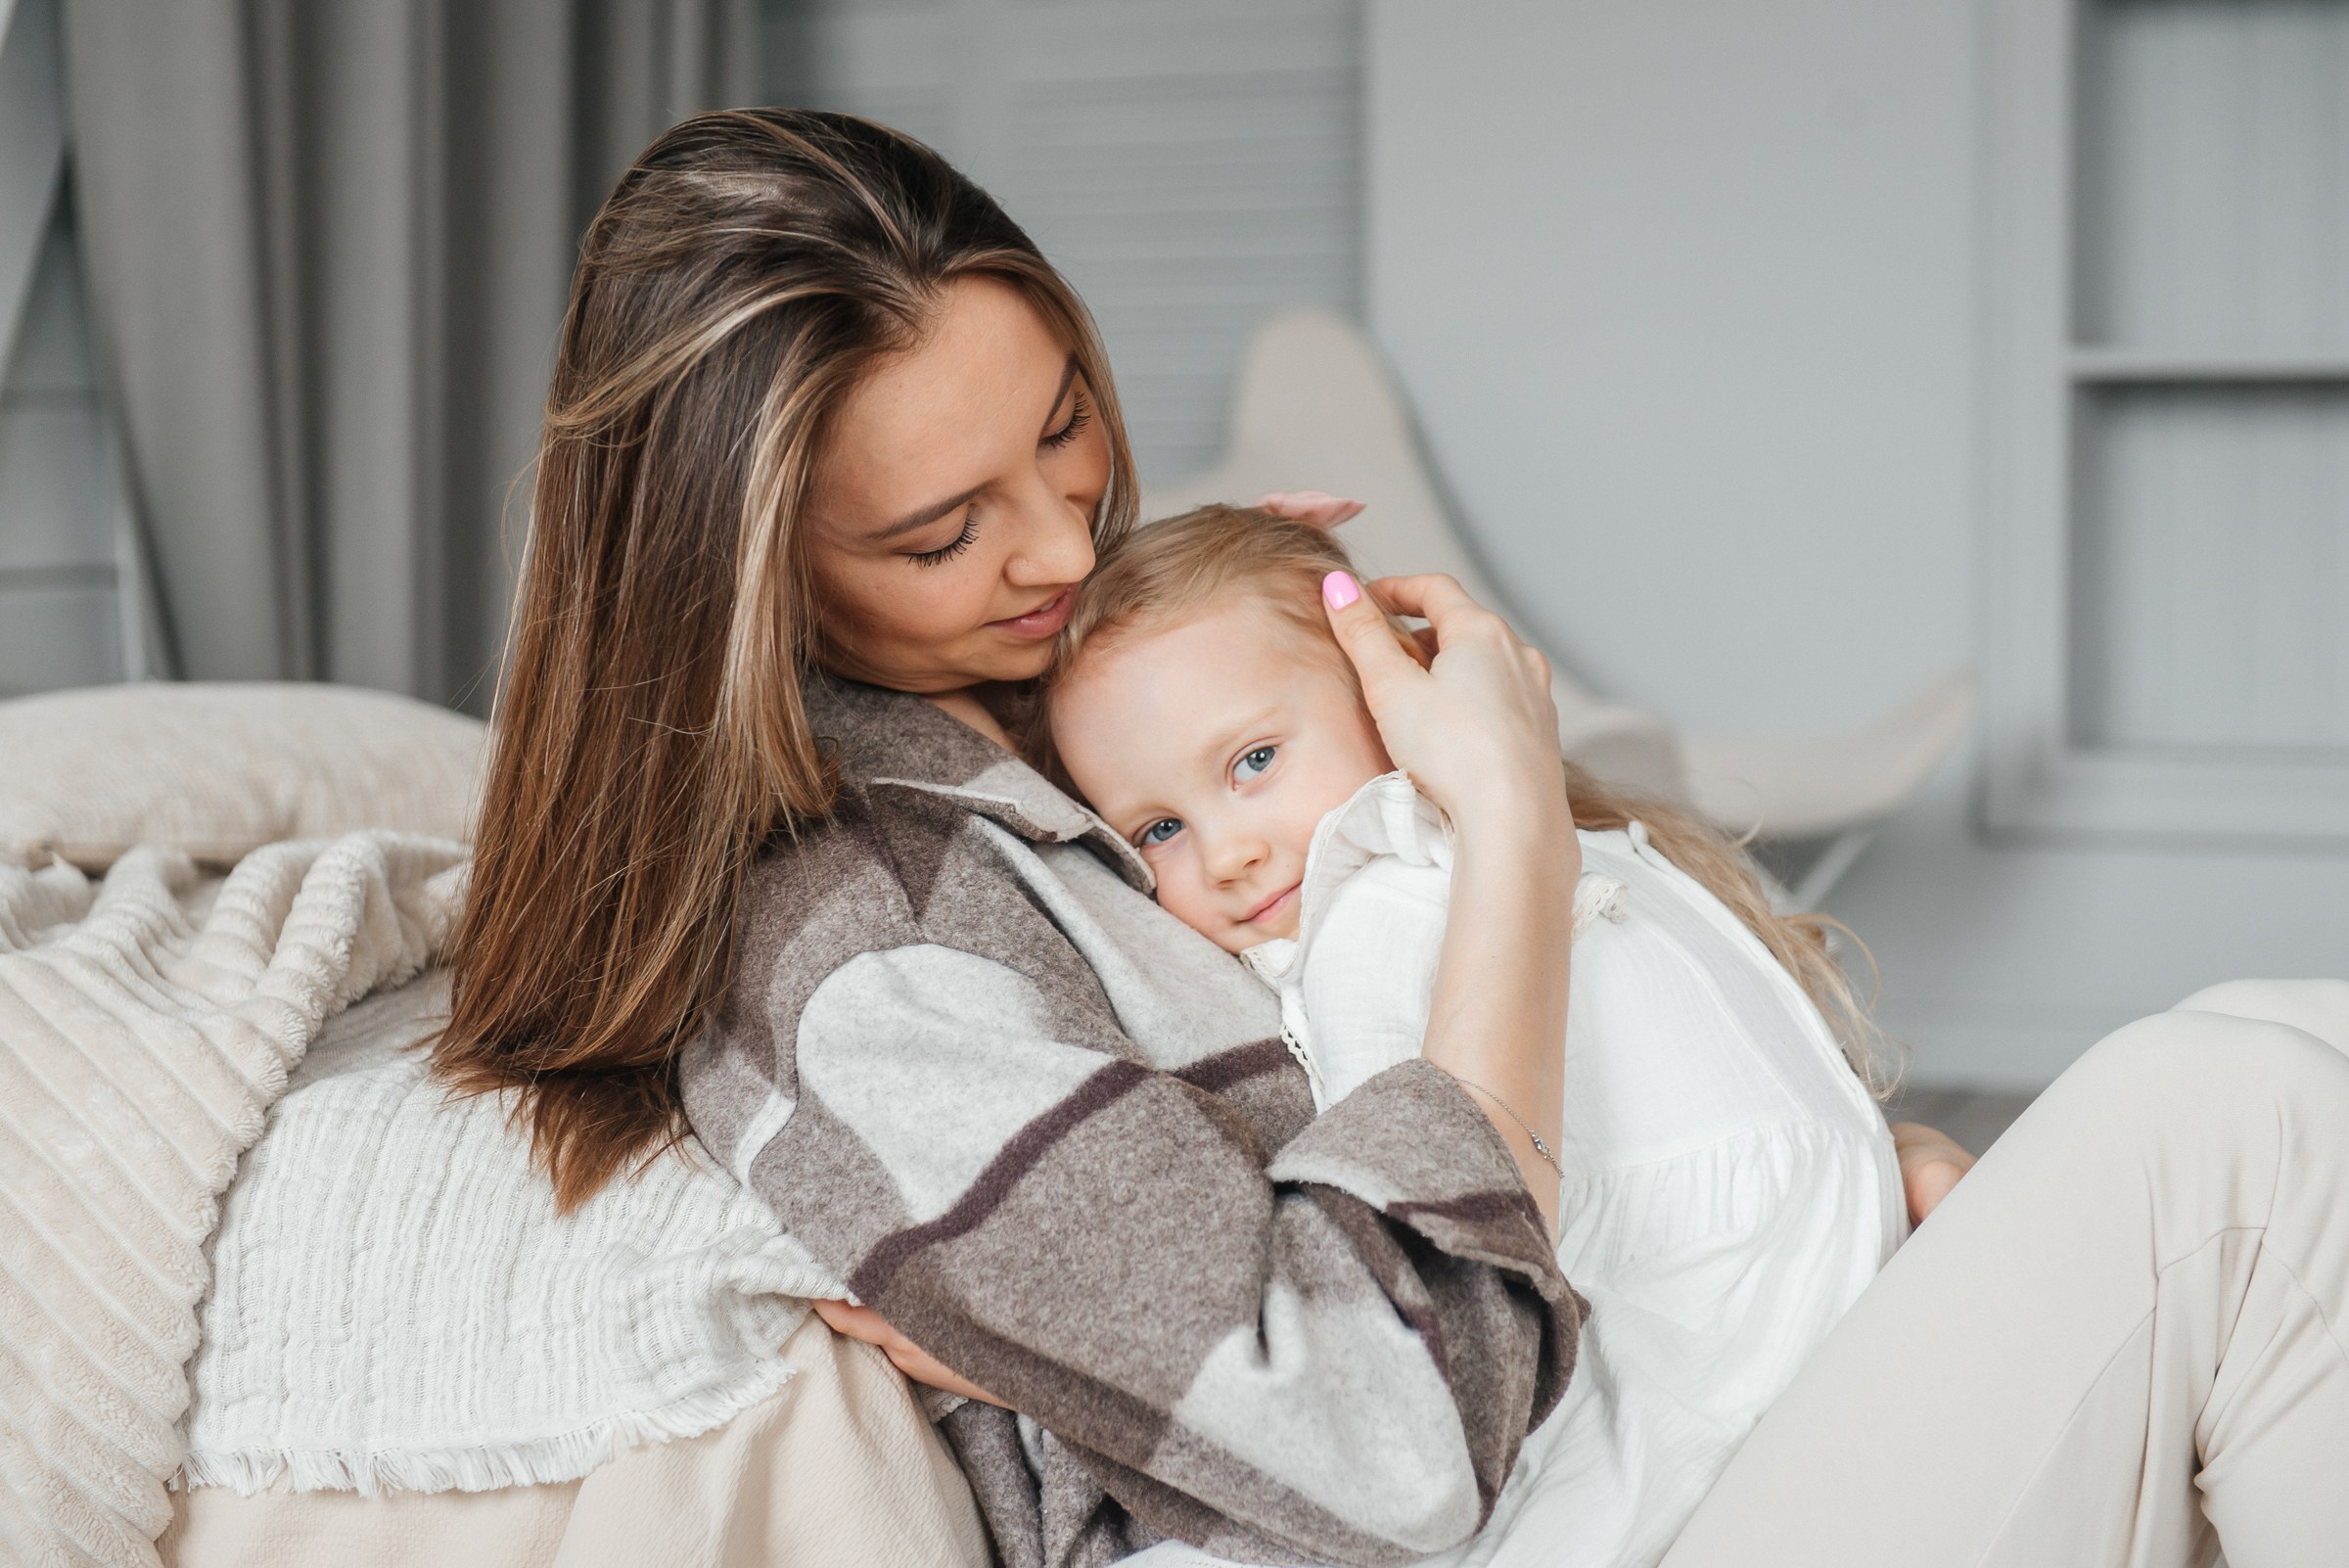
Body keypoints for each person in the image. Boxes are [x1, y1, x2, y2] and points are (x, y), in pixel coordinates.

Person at [440, 107, 2349, 1568]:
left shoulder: (1063, 719)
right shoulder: (874, 947)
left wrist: (1829, 1168)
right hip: (1558, 1512)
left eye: (1067, 426)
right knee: (2234, 1126)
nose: (1057, 540)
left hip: (1666, 1419)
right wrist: (1508, 825)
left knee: (2298, 1038)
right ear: (746, 576)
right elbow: (1381, 1447)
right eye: (944, 534)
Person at [1038, 502, 1905, 1566]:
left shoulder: (1377, 916)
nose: (1225, 855)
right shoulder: (1557, 837)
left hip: (1696, 1340)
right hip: (1818, 1282)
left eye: (1254, 761)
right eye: (1158, 830)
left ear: (1389, 691)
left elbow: (1405, 1274)